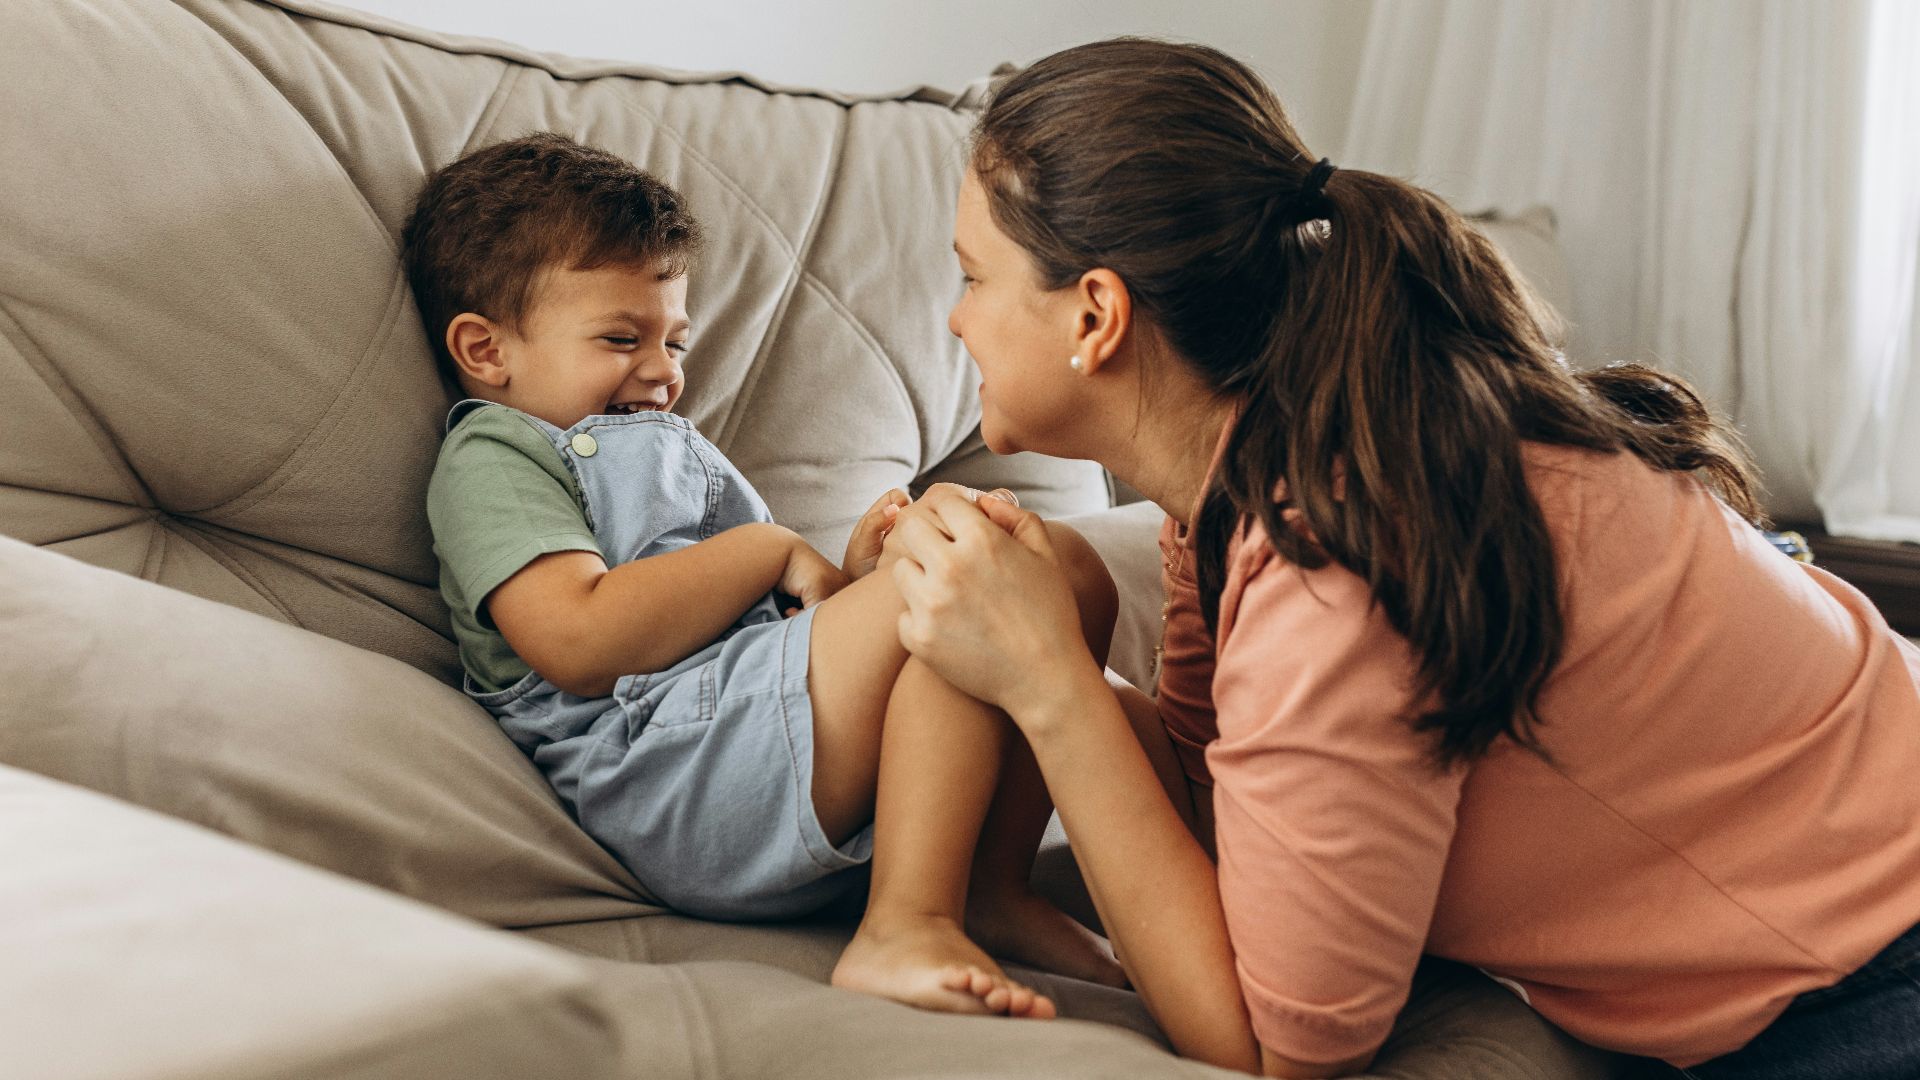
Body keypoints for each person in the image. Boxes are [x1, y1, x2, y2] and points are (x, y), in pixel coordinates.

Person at [876, 38, 1920, 1080]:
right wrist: (1043, 656)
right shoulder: (1251, 487)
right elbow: (1220, 813)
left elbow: (1279, 1044)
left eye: (973, 275)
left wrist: (1052, 682)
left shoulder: (1343, 553)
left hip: (1877, 966)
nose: (958, 318)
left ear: (1096, 315)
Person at [405, 133, 1128, 1018]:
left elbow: (771, 626)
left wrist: (851, 575)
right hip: (669, 773)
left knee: (1058, 568)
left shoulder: (656, 442)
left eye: (675, 341)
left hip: (756, 731)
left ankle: (986, 881)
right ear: (485, 351)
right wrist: (767, 549)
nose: (663, 373)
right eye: (620, 337)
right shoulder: (496, 452)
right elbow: (578, 638)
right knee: (966, 578)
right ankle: (902, 923)